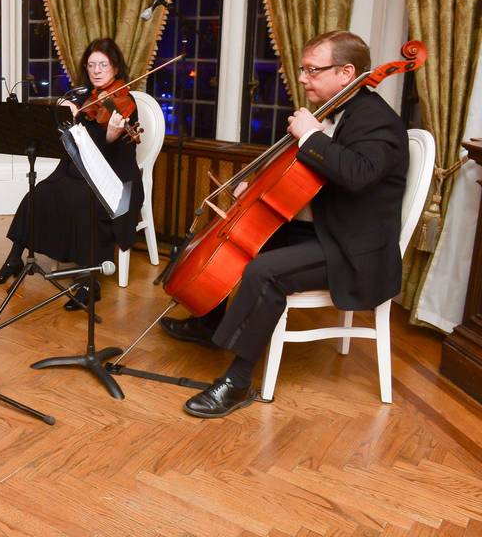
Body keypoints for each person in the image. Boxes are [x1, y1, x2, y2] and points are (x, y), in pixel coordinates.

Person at [160, 30, 409, 418]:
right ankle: (210, 323)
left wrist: (310, 135)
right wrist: (260, 187)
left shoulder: (378, 120)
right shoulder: (336, 110)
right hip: (331, 228)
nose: (304, 77)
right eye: (303, 69)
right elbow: (318, 176)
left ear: (347, 72)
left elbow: (359, 175)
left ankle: (238, 382)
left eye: (313, 70)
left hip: (355, 250)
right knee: (253, 236)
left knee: (266, 271)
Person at [0, 37, 145, 309]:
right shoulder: (85, 98)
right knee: (39, 193)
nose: (96, 71)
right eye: (91, 65)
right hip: (81, 171)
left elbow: (113, 153)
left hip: (114, 176)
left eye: (103, 65)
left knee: (84, 204)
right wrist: (68, 118)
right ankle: (15, 258)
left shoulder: (125, 103)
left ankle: (89, 278)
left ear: (116, 68)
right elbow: (73, 143)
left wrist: (111, 134)